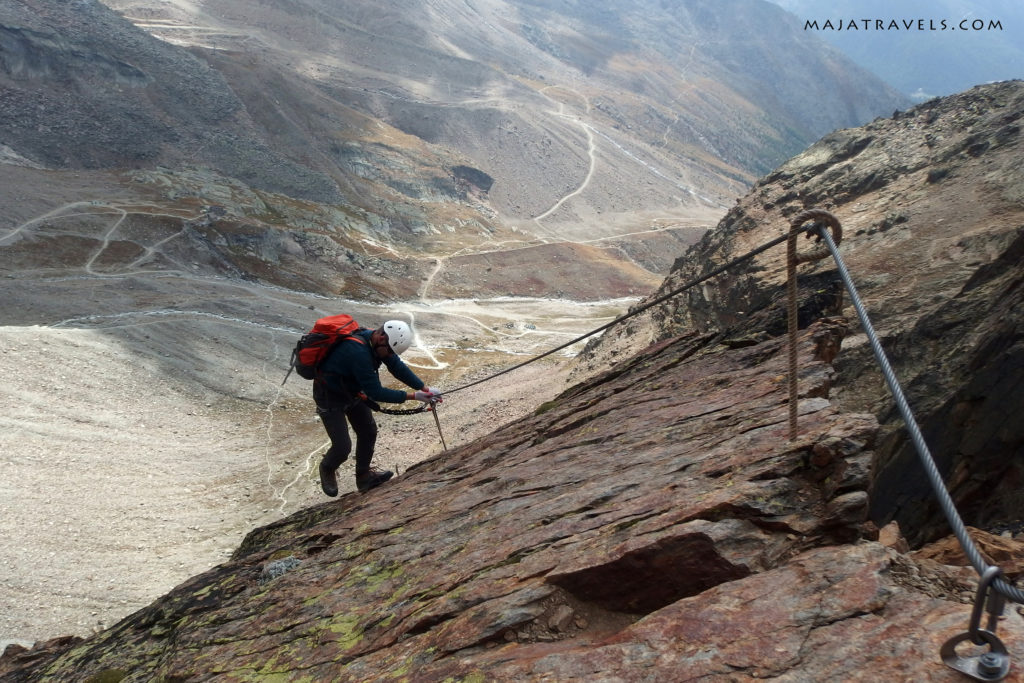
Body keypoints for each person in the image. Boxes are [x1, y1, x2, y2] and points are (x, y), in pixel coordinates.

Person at [313, 320, 442, 495]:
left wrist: (424, 389)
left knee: (368, 431)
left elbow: (397, 367)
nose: (388, 354)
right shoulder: (358, 352)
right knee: (342, 447)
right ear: (381, 337)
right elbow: (376, 392)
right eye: (388, 350)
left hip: (352, 391)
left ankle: (364, 477)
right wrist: (413, 396)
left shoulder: (379, 343)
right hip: (329, 397)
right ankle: (327, 467)